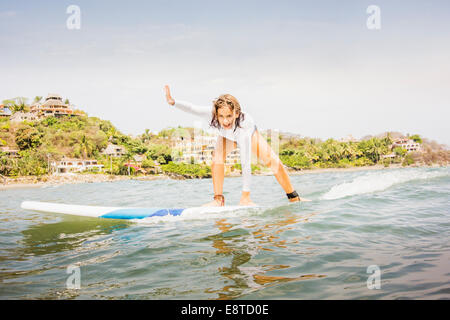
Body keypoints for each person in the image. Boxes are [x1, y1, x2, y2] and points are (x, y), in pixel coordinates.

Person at [164, 85, 309, 207]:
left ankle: (293, 197)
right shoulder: (212, 114)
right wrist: (173, 102)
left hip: (247, 134)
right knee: (217, 158)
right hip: (227, 136)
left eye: (229, 116)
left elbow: (245, 163)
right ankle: (218, 200)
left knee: (273, 162)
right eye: (221, 117)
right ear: (216, 114)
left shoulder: (244, 126)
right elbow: (192, 108)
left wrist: (245, 196)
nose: (225, 121)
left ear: (236, 113)